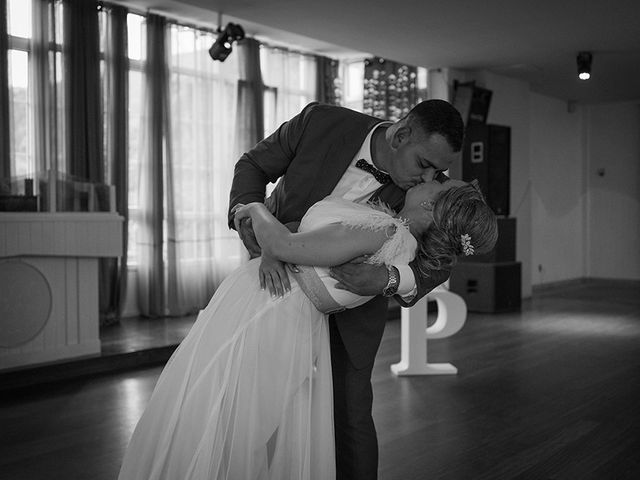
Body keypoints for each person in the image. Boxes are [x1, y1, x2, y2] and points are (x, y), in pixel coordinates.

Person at [118, 180, 498, 480]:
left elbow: (285, 243)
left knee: (206, 414)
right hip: (283, 321)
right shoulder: (402, 248)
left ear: (432, 205)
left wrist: (252, 208)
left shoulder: (385, 233)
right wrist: (276, 247)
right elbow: (295, 246)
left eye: (440, 183)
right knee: (233, 423)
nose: (433, 178)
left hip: (263, 311)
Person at [229, 100, 464, 479]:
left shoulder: (426, 196)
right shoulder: (320, 122)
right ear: (400, 134)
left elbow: (440, 263)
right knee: (258, 406)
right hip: (275, 290)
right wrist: (251, 220)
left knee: (350, 415)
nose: (429, 179)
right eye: (424, 164)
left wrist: (386, 279)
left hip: (350, 311)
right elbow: (252, 166)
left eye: (439, 170)